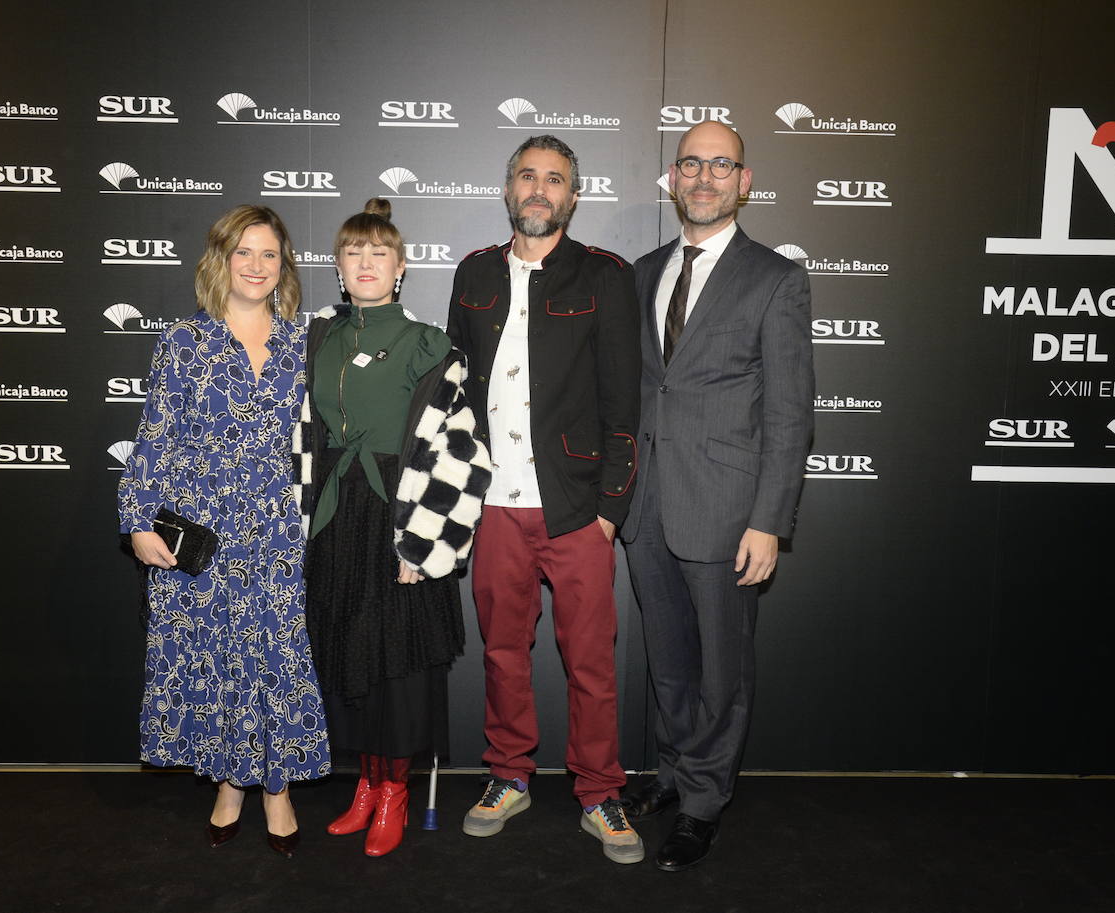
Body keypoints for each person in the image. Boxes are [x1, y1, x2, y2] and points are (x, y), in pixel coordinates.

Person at [619, 121, 814, 871]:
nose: (704, 177)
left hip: (730, 510)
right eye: (691, 164)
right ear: (672, 177)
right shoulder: (642, 272)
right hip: (648, 507)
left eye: (720, 165)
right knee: (669, 662)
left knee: (721, 670)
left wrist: (770, 520)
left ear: (745, 179)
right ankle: (673, 773)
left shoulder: (775, 278)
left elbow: (792, 412)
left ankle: (704, 803)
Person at [447, 136, 644, 864]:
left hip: (576, 511)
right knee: (503, 652)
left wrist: (609, 512)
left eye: (554, 179)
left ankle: (599, 791)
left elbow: (626, 405)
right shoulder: (472, 275)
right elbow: (456, 396)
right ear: (508, 189)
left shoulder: (603, 277)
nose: (539, 189)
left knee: (591, 661)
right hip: (495, 505)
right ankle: (509, 776)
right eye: (527, 175)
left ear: (572, 196)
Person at [118, 204, 329, 857]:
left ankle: (277, 788)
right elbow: (154, 438)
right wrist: (135, 519)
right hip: (204, 535)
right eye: (245, 252)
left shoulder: (305, 342)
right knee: (217, 663)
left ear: (282, 265)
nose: (257, 266)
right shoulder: (185, 341)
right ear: (221, 259)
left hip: (280, 536)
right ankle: (230, 784)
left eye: (270, 254)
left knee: (275, 659)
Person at [294, 199, 491, 858]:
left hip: (401, 519)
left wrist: (425, 545)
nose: (367, 263)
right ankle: (365, 787)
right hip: (334, 518)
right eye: (355, 252)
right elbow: (298, 435)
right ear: (339, 266)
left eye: (380, 254)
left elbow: (460, 453)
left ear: (401, 268)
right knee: (350, 656)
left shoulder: (430, 342)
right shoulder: (314, 335)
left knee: (397, 665)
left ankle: (396, 793)